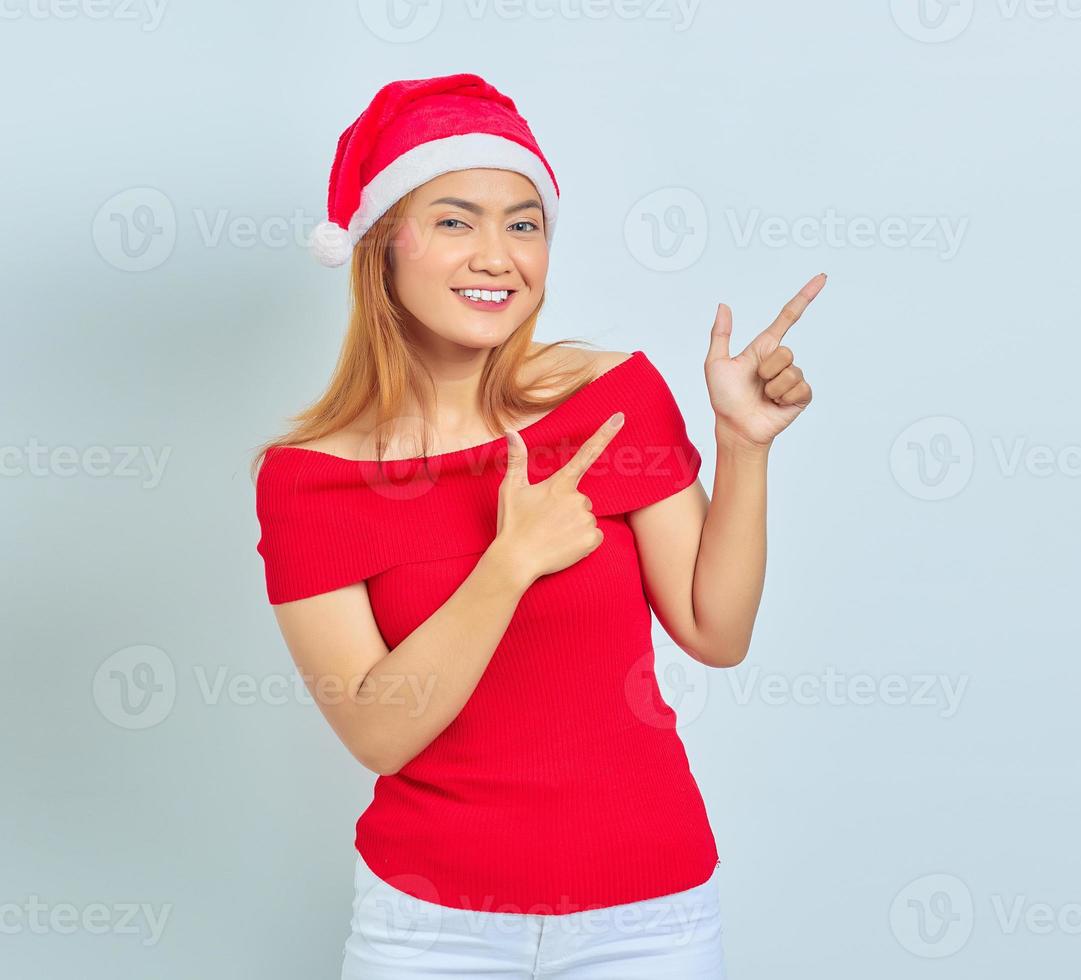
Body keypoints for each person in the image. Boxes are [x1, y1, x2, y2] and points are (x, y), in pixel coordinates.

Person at [249, 72, 822, 978]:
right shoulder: (310, 480)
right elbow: (378, 732)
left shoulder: (612, 398)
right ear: (380, 247)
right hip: (430, 930)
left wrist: (743, 444)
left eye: (524, 224)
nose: (497, 255)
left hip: (650, 919)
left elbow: (719, 631)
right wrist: (508, 562)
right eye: (453, 220)